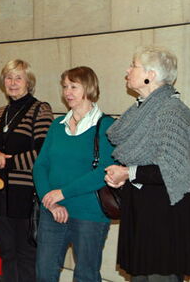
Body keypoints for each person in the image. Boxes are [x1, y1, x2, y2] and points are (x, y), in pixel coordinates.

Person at [104, 46, 190, 280]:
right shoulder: (141, 111)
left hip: (166, 219)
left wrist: (128, 173)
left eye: (134, 65)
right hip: (142, 213)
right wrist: (124, 176)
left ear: (151, 75)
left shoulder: (171, 112)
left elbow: (174, 170)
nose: (127, 70)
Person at [32, 66, 115, 282]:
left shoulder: (106, 126)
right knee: (44, 272)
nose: (67, 92)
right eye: (65, 87)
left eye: (73, 86)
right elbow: (40, 166)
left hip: (89, 214)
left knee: (86, 275)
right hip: (52, 210)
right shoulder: (57, 126)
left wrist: (63, 193)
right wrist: (49, 199)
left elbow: (104, 172)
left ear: (88, 88)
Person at [0, 59, 53, 282]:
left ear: (28, 82)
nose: (12, 83)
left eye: (18, 78)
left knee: (27, 256)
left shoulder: (40, 109)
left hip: (26, 196)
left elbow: (43, 154)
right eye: (8, 78)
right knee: (7, 254)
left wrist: (6, 162)